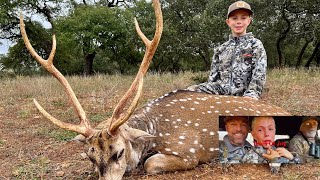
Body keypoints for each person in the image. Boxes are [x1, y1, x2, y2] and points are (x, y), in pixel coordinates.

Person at [188, 1, 267, 100]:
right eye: (234, 18)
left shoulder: (255, 45)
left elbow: (259, 74)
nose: (239, 22)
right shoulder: (221, 49)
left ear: (249, 21)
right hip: (221, 92)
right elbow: (213, 79)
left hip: (244, 94)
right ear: (228, 22)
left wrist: (251, 94)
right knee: (189, 91)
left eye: (243, 18)